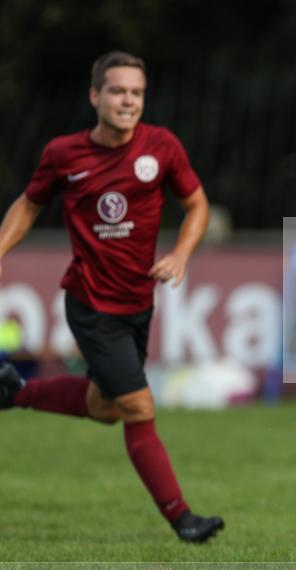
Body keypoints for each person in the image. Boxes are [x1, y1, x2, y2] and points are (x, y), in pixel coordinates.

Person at [0, 51, 224, 542]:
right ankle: (182, 518)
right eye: (118, 91)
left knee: (104, 407)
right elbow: (29, 203)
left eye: (136, 93)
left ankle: (13, 392)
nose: (128, 100)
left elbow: (197, 204)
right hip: (91, 305)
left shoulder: (161, 147)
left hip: (138, 304)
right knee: (139, 407)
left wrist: (182, 253)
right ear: (95, 96)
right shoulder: (64, 154)